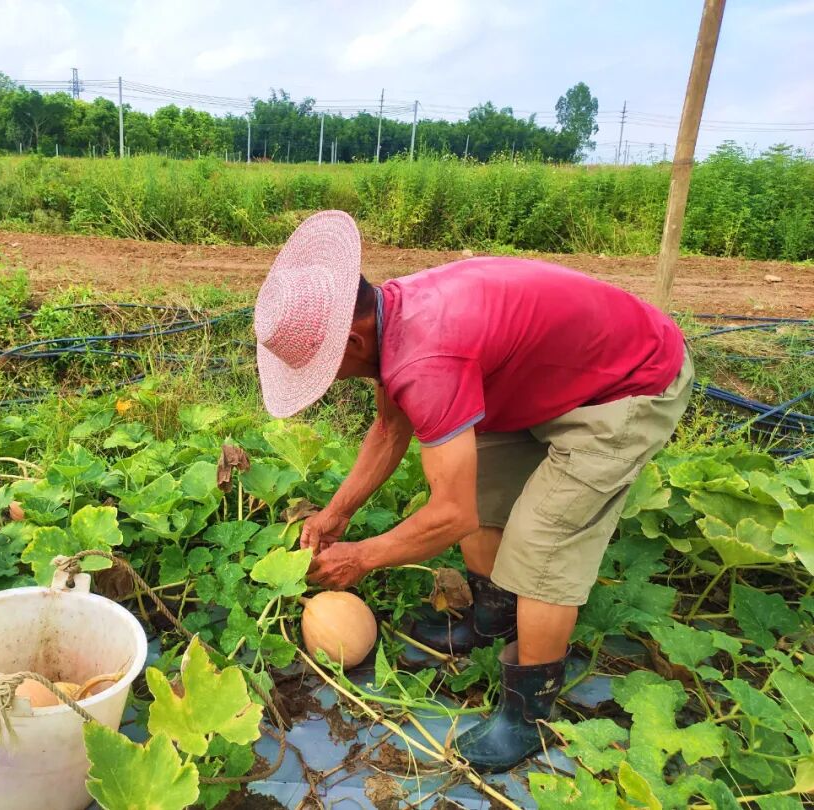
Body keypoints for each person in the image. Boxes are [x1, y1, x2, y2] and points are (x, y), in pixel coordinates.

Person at [253, 210, 693, 772]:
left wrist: (361, 558)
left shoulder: (426, 357)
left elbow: (451, 515)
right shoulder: (392, 318)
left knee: (542, 542)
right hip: (551, 378)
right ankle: (492, 619)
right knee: (482, 481)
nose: (326, 379)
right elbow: (390, 428)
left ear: (354, 337)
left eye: (322, 366)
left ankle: (527, 712)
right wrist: (337, 515)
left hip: (629, 382)